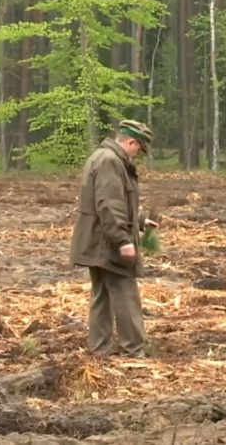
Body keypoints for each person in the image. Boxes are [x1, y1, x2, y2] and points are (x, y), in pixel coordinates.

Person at [70, 119, 159, 358]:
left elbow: (114, 200)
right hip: (107, 243)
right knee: (125, 293)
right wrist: (123, 241)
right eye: (139, 149)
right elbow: (109, 205)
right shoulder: (110, 161)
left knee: (102, 295)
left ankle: (100, 350)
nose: (138, 155)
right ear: (131, 142)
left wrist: (139, 222)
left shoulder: (102, 157)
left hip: (97, 241)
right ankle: (134, 350)